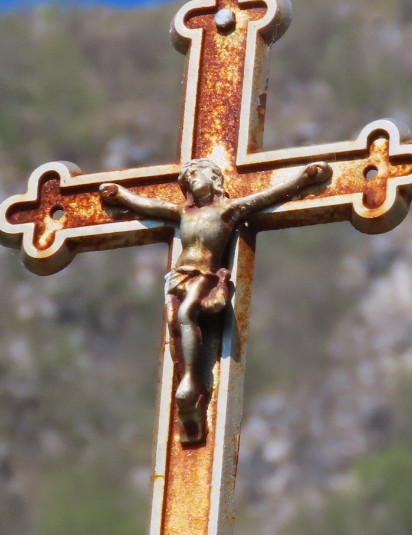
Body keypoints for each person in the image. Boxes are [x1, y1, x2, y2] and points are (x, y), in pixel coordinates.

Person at [100, 157, 331, 442]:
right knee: (175, 323)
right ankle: (189, 382)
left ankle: (189, 381)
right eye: (187, 180)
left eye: (196, 175)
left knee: (187, 313)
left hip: (205, 275)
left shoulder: (227, 211)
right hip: (179, 276)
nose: (191, 182)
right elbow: (150, 206)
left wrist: (303, 179)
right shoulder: (183, 213)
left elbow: (267, 196)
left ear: (213, 178)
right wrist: (121, 196)